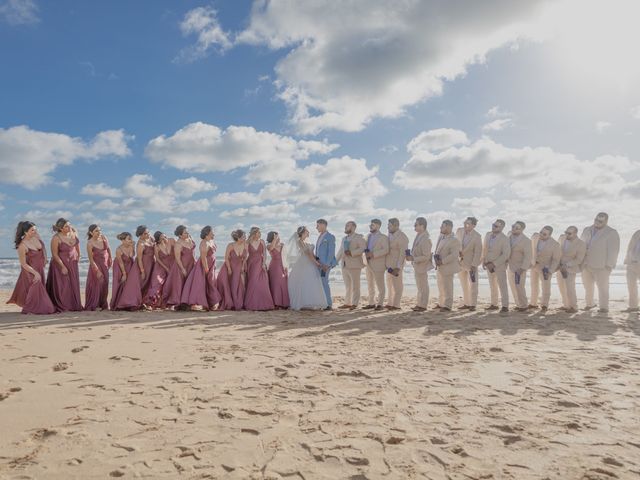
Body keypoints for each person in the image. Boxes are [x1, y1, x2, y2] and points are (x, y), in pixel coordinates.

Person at [7, 221, 56, 315]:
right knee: (49, 308)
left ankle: (33, 308)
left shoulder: (36, 237)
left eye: (35, 229)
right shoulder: (22, 246)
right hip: (30, 271)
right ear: (25, 232)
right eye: (32, 230)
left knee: (37, 293)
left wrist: (45, 258)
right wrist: (35, 273)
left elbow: (43, 247)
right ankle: (29, 309)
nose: (35, 231)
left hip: (40, 269)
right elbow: (23, 264)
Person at [581, 212, 620, 313]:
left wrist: (609, 265)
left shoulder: (611, 232)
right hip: (586, 264)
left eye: (600, 221)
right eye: (596, 220)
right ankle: (589, 304)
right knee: (587, 286)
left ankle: (604, 307)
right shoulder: (586, 229)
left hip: (602, 265)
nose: (597, 222)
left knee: (603, 287)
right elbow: (581, 245)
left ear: (606, 221)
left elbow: (614, 250)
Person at [284, 226, 328, 310]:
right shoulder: (299, 241)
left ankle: (310, 302)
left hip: (310, 262)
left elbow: (312, 254)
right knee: (304, 281)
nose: (309, 232)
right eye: (307, 231)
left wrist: (318, 260)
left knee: (311, 282)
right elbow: (308, 254)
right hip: (304, 263)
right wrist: (316, 263)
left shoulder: (306, 241)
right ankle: (303, 302)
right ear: (303, 232)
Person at [180, 226, 222, 310]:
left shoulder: (211, 241)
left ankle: (213, 302)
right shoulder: (204, 243)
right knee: (202, 284)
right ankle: (200, 303)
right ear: (207, 234)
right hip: (204, 265)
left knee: (211, 283)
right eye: (212, 232)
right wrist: (206, 269)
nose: (213, 234)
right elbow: (203, 257)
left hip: (211, 264)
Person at [46, 217, 83, 312]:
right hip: (60, 264)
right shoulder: (56, 238)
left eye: (70, 225)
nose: (69, 227)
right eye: (66, 226)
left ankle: (74, 305)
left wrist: (78, 256)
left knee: (73, 284)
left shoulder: (74, 233)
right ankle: (64, 306)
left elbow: (77, 247)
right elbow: (54, 254)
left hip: (73, 264)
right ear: (61, 228)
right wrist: (62, 266)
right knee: (63, 286)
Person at [163, 225, 196, 309]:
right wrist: (182, 269)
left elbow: (193, 252)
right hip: (181, 266)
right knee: (180, 284)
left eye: (187, 232)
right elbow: (177, 258)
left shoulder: (190, 239)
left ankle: (188, 302)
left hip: (191, 265)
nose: (188, 233)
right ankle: (180, 303)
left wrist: (195, 261)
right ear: (180, 235)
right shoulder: (178, 244)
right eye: (185, 233)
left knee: (190, 283)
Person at [529, 226, 561, 312]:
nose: (541, 235)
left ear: (550, 235)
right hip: (534, 265)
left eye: (544, 234)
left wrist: (550, 270)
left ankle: (544, 305)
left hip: (545, 268)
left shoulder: (555, 244)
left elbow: (556, 260)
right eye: (541, 232)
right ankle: (533, 303)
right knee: (534, 285)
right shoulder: (535, 237)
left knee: (546, 287)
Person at [482, 219, 511, 313]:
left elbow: (506, 254)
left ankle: (505, 306)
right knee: (492, 285)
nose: (493, 227)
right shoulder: (487, 235)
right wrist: (484, 261)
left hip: (499, 265)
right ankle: (494, 304)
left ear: (502, 228)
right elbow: (485, 249)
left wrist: (494, 264)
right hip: (488, 264)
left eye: (496, 226)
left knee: (502, 285)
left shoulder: (504, 238)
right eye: (493, 225)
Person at [336, 221, 366, 309]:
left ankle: (355, 304)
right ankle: (347, 303)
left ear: (353, 227)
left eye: (347, 226)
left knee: (356, 286)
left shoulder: (359, 237)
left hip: (355, 265)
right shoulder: (344, 238)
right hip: (344, 265)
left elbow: (363, 248)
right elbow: (340, 251)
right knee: (348, 286)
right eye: (345, 225)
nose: (345, 227)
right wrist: (334, 262)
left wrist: (352, 252)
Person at [244, 227, 275, 311]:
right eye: (258, 233)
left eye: (260, 233)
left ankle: (265, 303)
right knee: (253, 282)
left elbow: (264, 253)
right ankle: (252, 303)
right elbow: (246, 255)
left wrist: (264, 263)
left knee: (263, 283)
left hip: (260, 263)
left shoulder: (262, 241)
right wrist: (243, 264)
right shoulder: (248, 242)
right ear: (254, 234)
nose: (260, 234)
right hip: (251, 264)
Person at [557, 226, 586, 313]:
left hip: (570, 268)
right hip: (559, 267)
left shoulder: (581, 244)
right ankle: (566, 305)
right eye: (566, 232)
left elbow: (579, 259)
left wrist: (566, 265)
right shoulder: (562, 239)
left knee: (570, 288)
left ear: (575, 233)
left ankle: (573, 307)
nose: (566, 234)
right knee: (561, 287)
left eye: (569, 233)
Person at [433, 220, 461, 312]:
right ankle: (441, 303)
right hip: (440, 266)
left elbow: (454, 255)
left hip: (447, 266)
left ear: (449, 227)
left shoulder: (454, 240)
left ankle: (448, 306)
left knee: (448, 287)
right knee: (441, 286)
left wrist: (442, 261)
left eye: (443, 226)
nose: (440, 228)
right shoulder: (441, 237)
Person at [110, 232, 143, 311]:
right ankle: (118, 303)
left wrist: (133, 246)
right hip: (119, 267)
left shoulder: (131, 246)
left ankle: (129, 302)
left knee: (129, 284)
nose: (130, 240)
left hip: (129, 264)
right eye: (128, 239)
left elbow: (131, 256)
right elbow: (120, 262)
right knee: (121, 283)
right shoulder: (119, 250)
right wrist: (124, 273)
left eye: (131, 238)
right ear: (123, 240)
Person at [456, 217, 483, 311]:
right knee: (464, 285)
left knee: (473, 284)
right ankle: (467, 303)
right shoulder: (459, 231)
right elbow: (455, 244)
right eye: (465, 222)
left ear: (473, 225)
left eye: (468, 223)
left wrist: (474, 265)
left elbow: (478, 251)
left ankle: (473, 304)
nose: (465, 225)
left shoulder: (477, 236)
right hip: (460, 263)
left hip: (471, 264)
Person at [406, 217, 432, 312]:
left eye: (416, 224)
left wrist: (414, 258)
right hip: (417, 265)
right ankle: (419, 304)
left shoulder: (426, 238)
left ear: (422, 226)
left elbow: (426, 256)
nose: (414, 226)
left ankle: (423, 306)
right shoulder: (418, 235)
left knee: (423, 286)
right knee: (419, 286)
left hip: (422, 265)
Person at [217, 229, 248, 311]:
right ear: (238, 237)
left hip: (239, 267)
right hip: (229, 267)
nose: (245, 237)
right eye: (244, 236)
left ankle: (238, 303)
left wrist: (243, 265)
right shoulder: (230, 245)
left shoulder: (246, 245)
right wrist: (229, 268)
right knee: (231, 285)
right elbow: (226, 258)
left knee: (239, 286)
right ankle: (232, 304)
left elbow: (245, 257)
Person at [363, 219, 389, 310]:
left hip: (378, 264)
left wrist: (373, 254)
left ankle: (380, 304)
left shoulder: (383, 237)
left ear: (378, 226)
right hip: (368, 263)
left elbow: (386, 250)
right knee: (370, 285)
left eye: (372, 225)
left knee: (380, 285)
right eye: (370, 224)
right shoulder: (368, 236)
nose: (370, 226)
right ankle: (371, 303)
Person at [145, 232, 175, 308]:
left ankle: (166, 303)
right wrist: (165, 268)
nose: (165, 239)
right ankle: (151, 302)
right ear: (158, 240)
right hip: (160, 265)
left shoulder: (172, 240)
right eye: (162, 238)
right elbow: (157, 259)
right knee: (157, 282)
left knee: (170, 284)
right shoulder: (157, 246)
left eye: (165, 236)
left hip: (172, 265)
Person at [85, 224, 112, 311]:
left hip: (105, 265)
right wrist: (97, 270)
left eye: (100, 230)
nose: (99, 232)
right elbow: (91, 259)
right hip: (96, 265)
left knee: (105, 284)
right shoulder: (90, 243)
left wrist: (110, 258)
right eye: (96, 231)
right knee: (97, 285)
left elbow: (108, 249)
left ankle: (103, 304)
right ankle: (95, 305)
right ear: (91, 233)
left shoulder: (104, 238)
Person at [385, 218, 409, 310]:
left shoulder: (402, 237)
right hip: (388, 265)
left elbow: (402, 254)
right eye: (388, 225)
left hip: (396, 265)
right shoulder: (389, 235)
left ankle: (396, 305)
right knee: (389, 285)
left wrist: (398, 267)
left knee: (397, 286)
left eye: (390, 226)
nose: (388, 227)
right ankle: (390, 303)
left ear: (396, 226)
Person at [507, 221, 531, 312]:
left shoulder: (526, 241)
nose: (514, 229)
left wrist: (523, 268)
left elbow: (528, 256)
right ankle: (518, 304)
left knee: (520, 287)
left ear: (522, 229)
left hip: (519, 268)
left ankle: (524, 305)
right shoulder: (508, 237)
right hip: (510, 266)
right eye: (513, 226)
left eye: (517, 228)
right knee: (513, 286)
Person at [315, 219, 337, 310]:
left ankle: (328, 304)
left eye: (318, 225)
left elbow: (331, 252)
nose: (316, 227)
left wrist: (327, 264)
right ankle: (323, 302)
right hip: (319, 264)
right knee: (320, 283)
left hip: (325, 265)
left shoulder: (330, 237)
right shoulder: (319, 236)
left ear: (323, 225)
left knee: (324, 282)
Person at [267, 231, 290, 309]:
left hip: (282, 265)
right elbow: (271, 248)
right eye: (276, 236)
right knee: (276, 284)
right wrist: (275, 239)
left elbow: (286, 256)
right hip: (274, 266)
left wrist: (286, 266)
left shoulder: (282, 245)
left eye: (278, 236)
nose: (278, 238)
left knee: (283, 283)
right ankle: (276, 303)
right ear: (272, 238)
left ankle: (284, 303)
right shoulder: (269, 245)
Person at [136, 225, 155, 302]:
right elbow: (139, 259)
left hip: (152, 263)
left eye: (148, 232)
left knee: (150, 282)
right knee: (143, 282)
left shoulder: (150, 238)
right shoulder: (140, 244)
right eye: (145, 233)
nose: (148, 235)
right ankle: (139, 300)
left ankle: (147, 301)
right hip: (144, 264)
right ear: (140, 235)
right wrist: (142, 271)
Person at [623, 228, 640, 313]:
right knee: (631, 285)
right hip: (631, 263)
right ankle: (633, 306)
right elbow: (630, 246)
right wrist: (627, 259)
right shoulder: (637, 233)